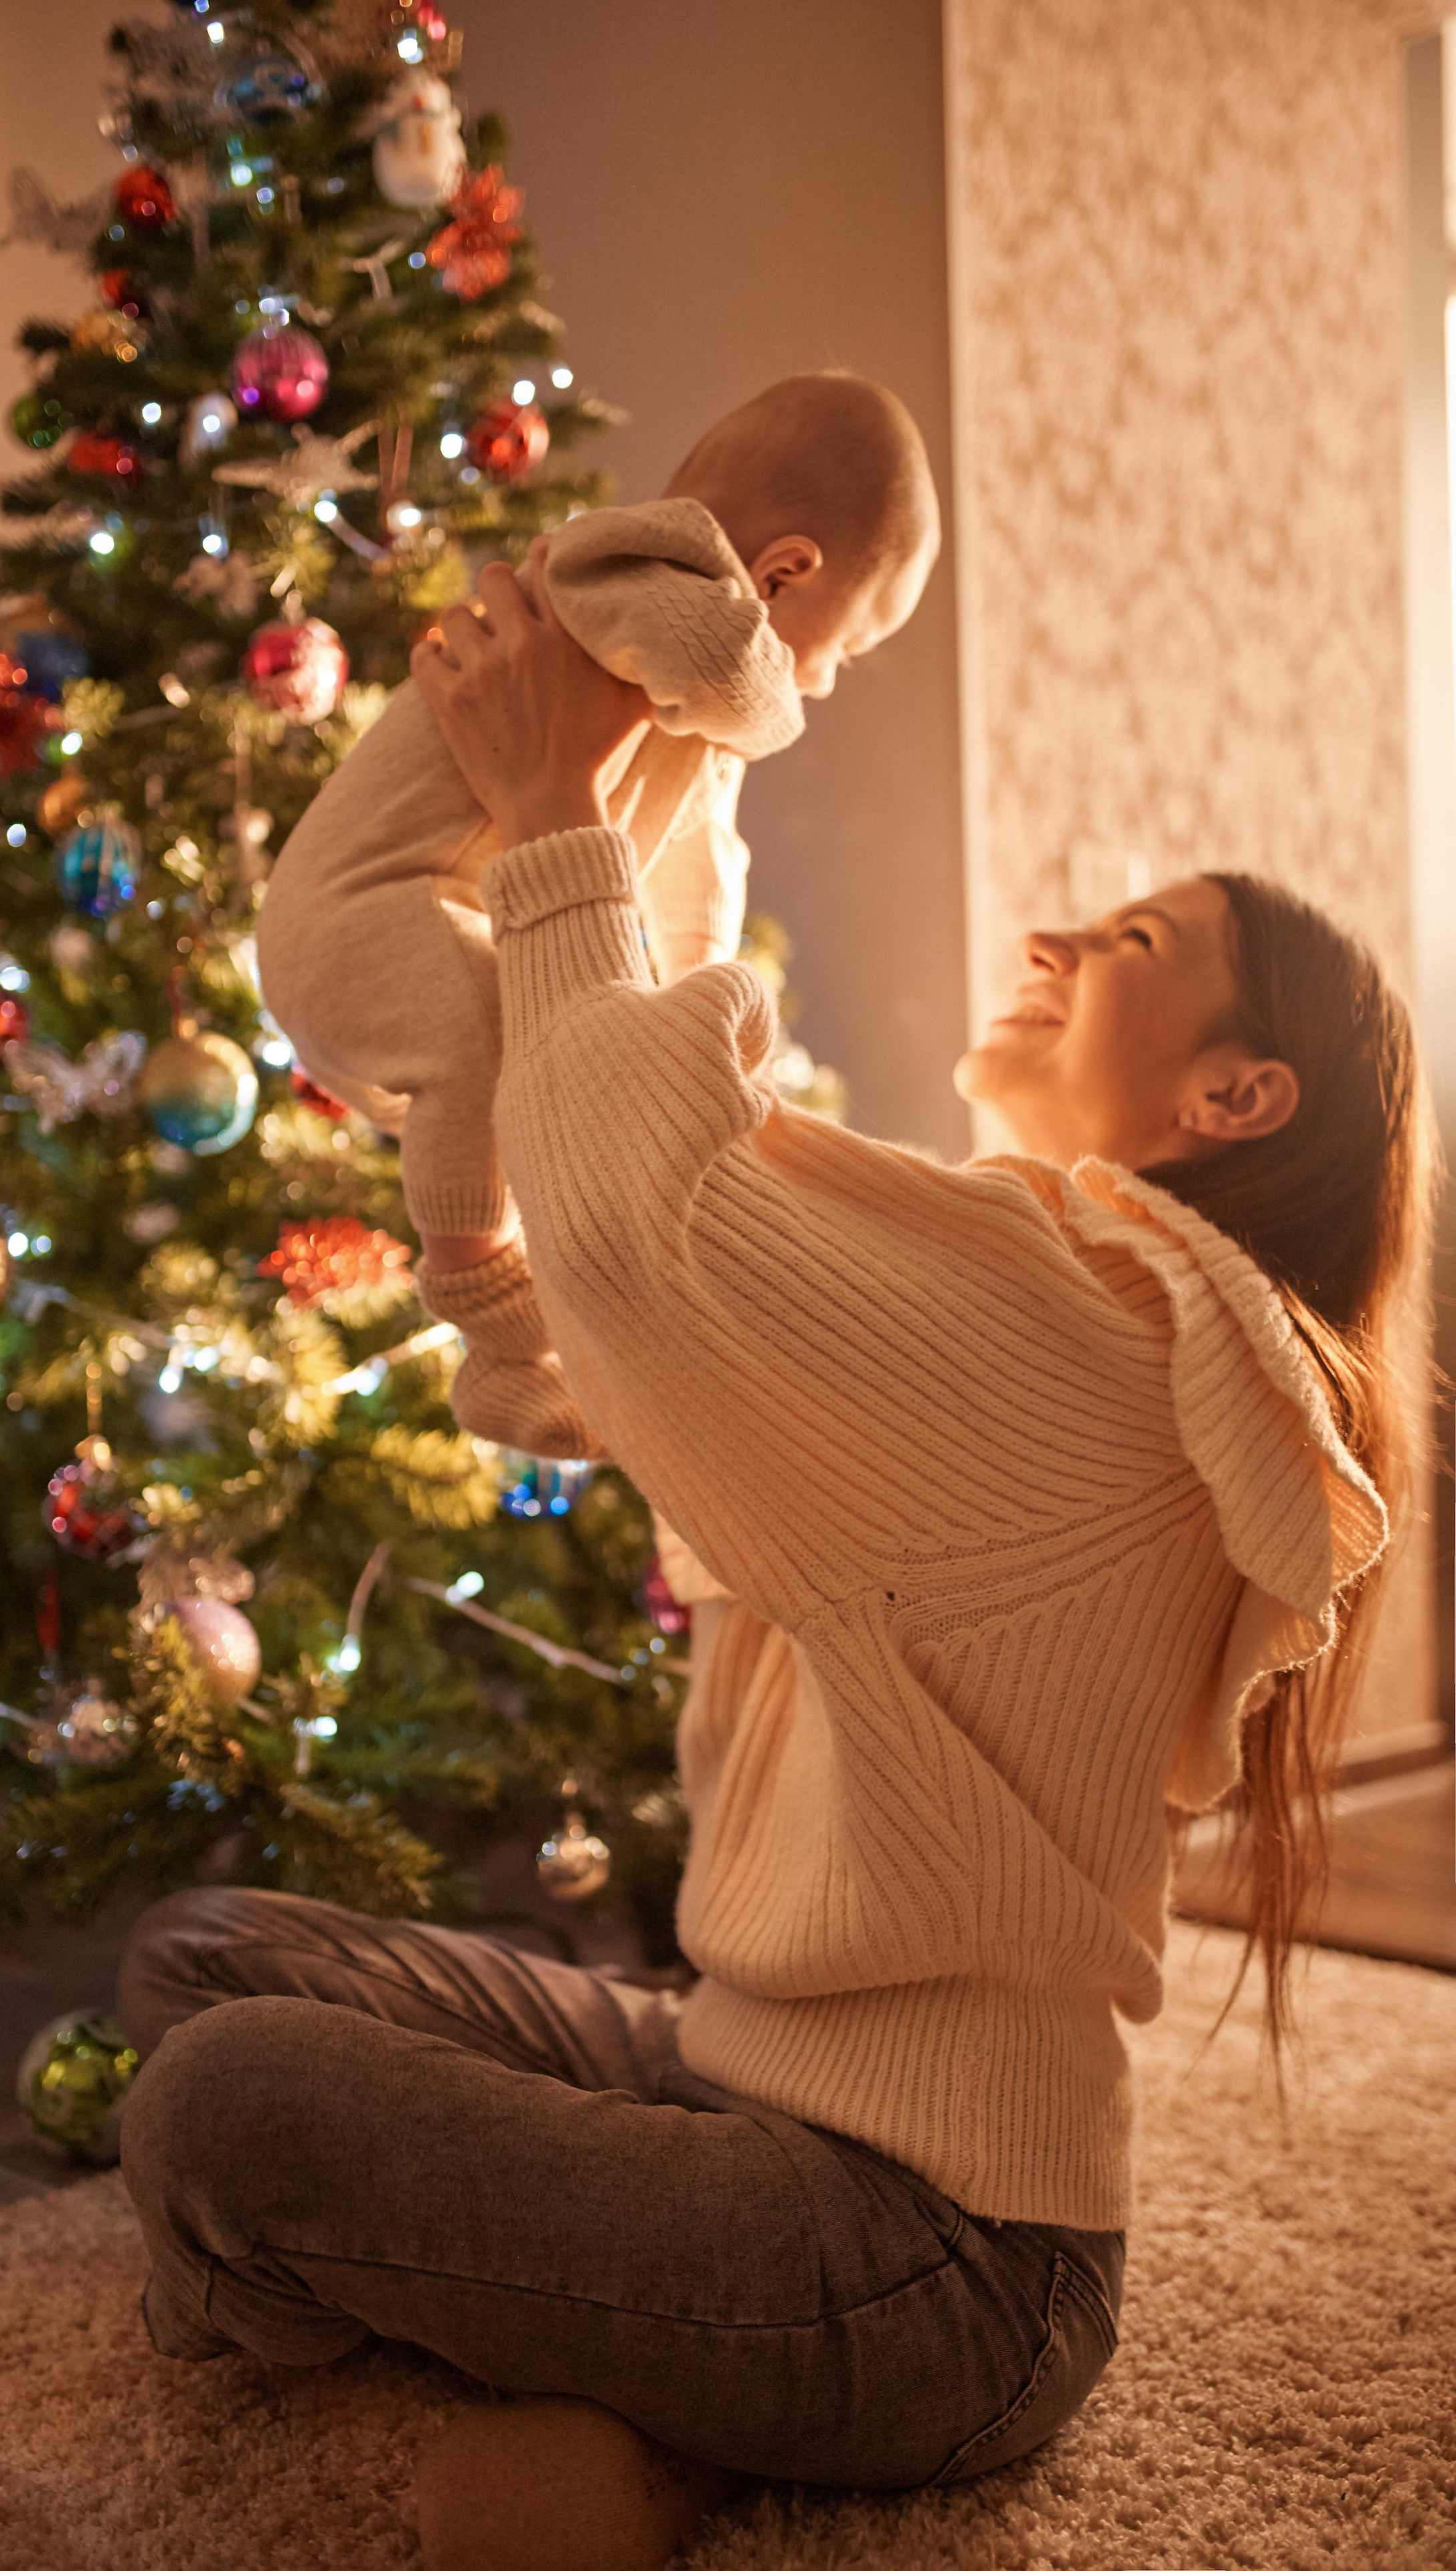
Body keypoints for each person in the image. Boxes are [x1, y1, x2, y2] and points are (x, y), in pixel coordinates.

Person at [116, 555, 1432, 2571]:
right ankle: (611, 2368)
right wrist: (648, 796)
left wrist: (559, 815)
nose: (1069, 931)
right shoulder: (1050, 1291)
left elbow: (653, 1223)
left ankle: (607, 2379)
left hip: (928, 2255)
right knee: (210, 1968)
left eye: (1142, 935)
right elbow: (664, 1355)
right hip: (744, 2085)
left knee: (227, 2113)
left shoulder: (1125, 1321)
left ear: (1233, 1099)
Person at [257, 372, 939, 1460]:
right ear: (783, 574)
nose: (819, 686)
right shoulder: (617, 570)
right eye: (841, 650)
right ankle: (493, 1327)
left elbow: (689, 878)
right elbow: (738, 674)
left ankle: (526, 1351)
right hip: (352, 916)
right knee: (487, 1034)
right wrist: (772, 702)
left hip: (419, 923)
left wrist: (682, 1029)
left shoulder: (673, 705)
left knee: (543, 1091)